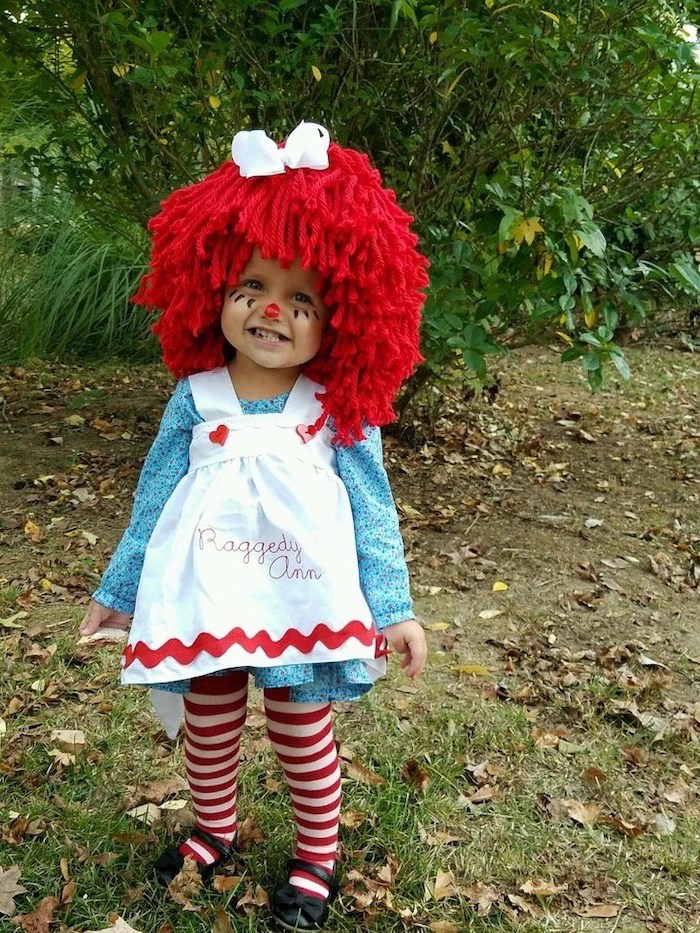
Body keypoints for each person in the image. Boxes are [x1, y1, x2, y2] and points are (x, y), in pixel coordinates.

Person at [79, 120, 429, 931]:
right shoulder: (196, 396)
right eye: (253, 286)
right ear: (214, 289)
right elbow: (154, 499)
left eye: (301, 299)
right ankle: (215, 827)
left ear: (340, 315)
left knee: (302, 723)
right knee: (208, 716)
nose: (272, 309)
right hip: (209, 588)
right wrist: (118, 588)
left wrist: (395, 606)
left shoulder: (336, 409)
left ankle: (316, 855)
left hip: (301, 596)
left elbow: (373, 510)